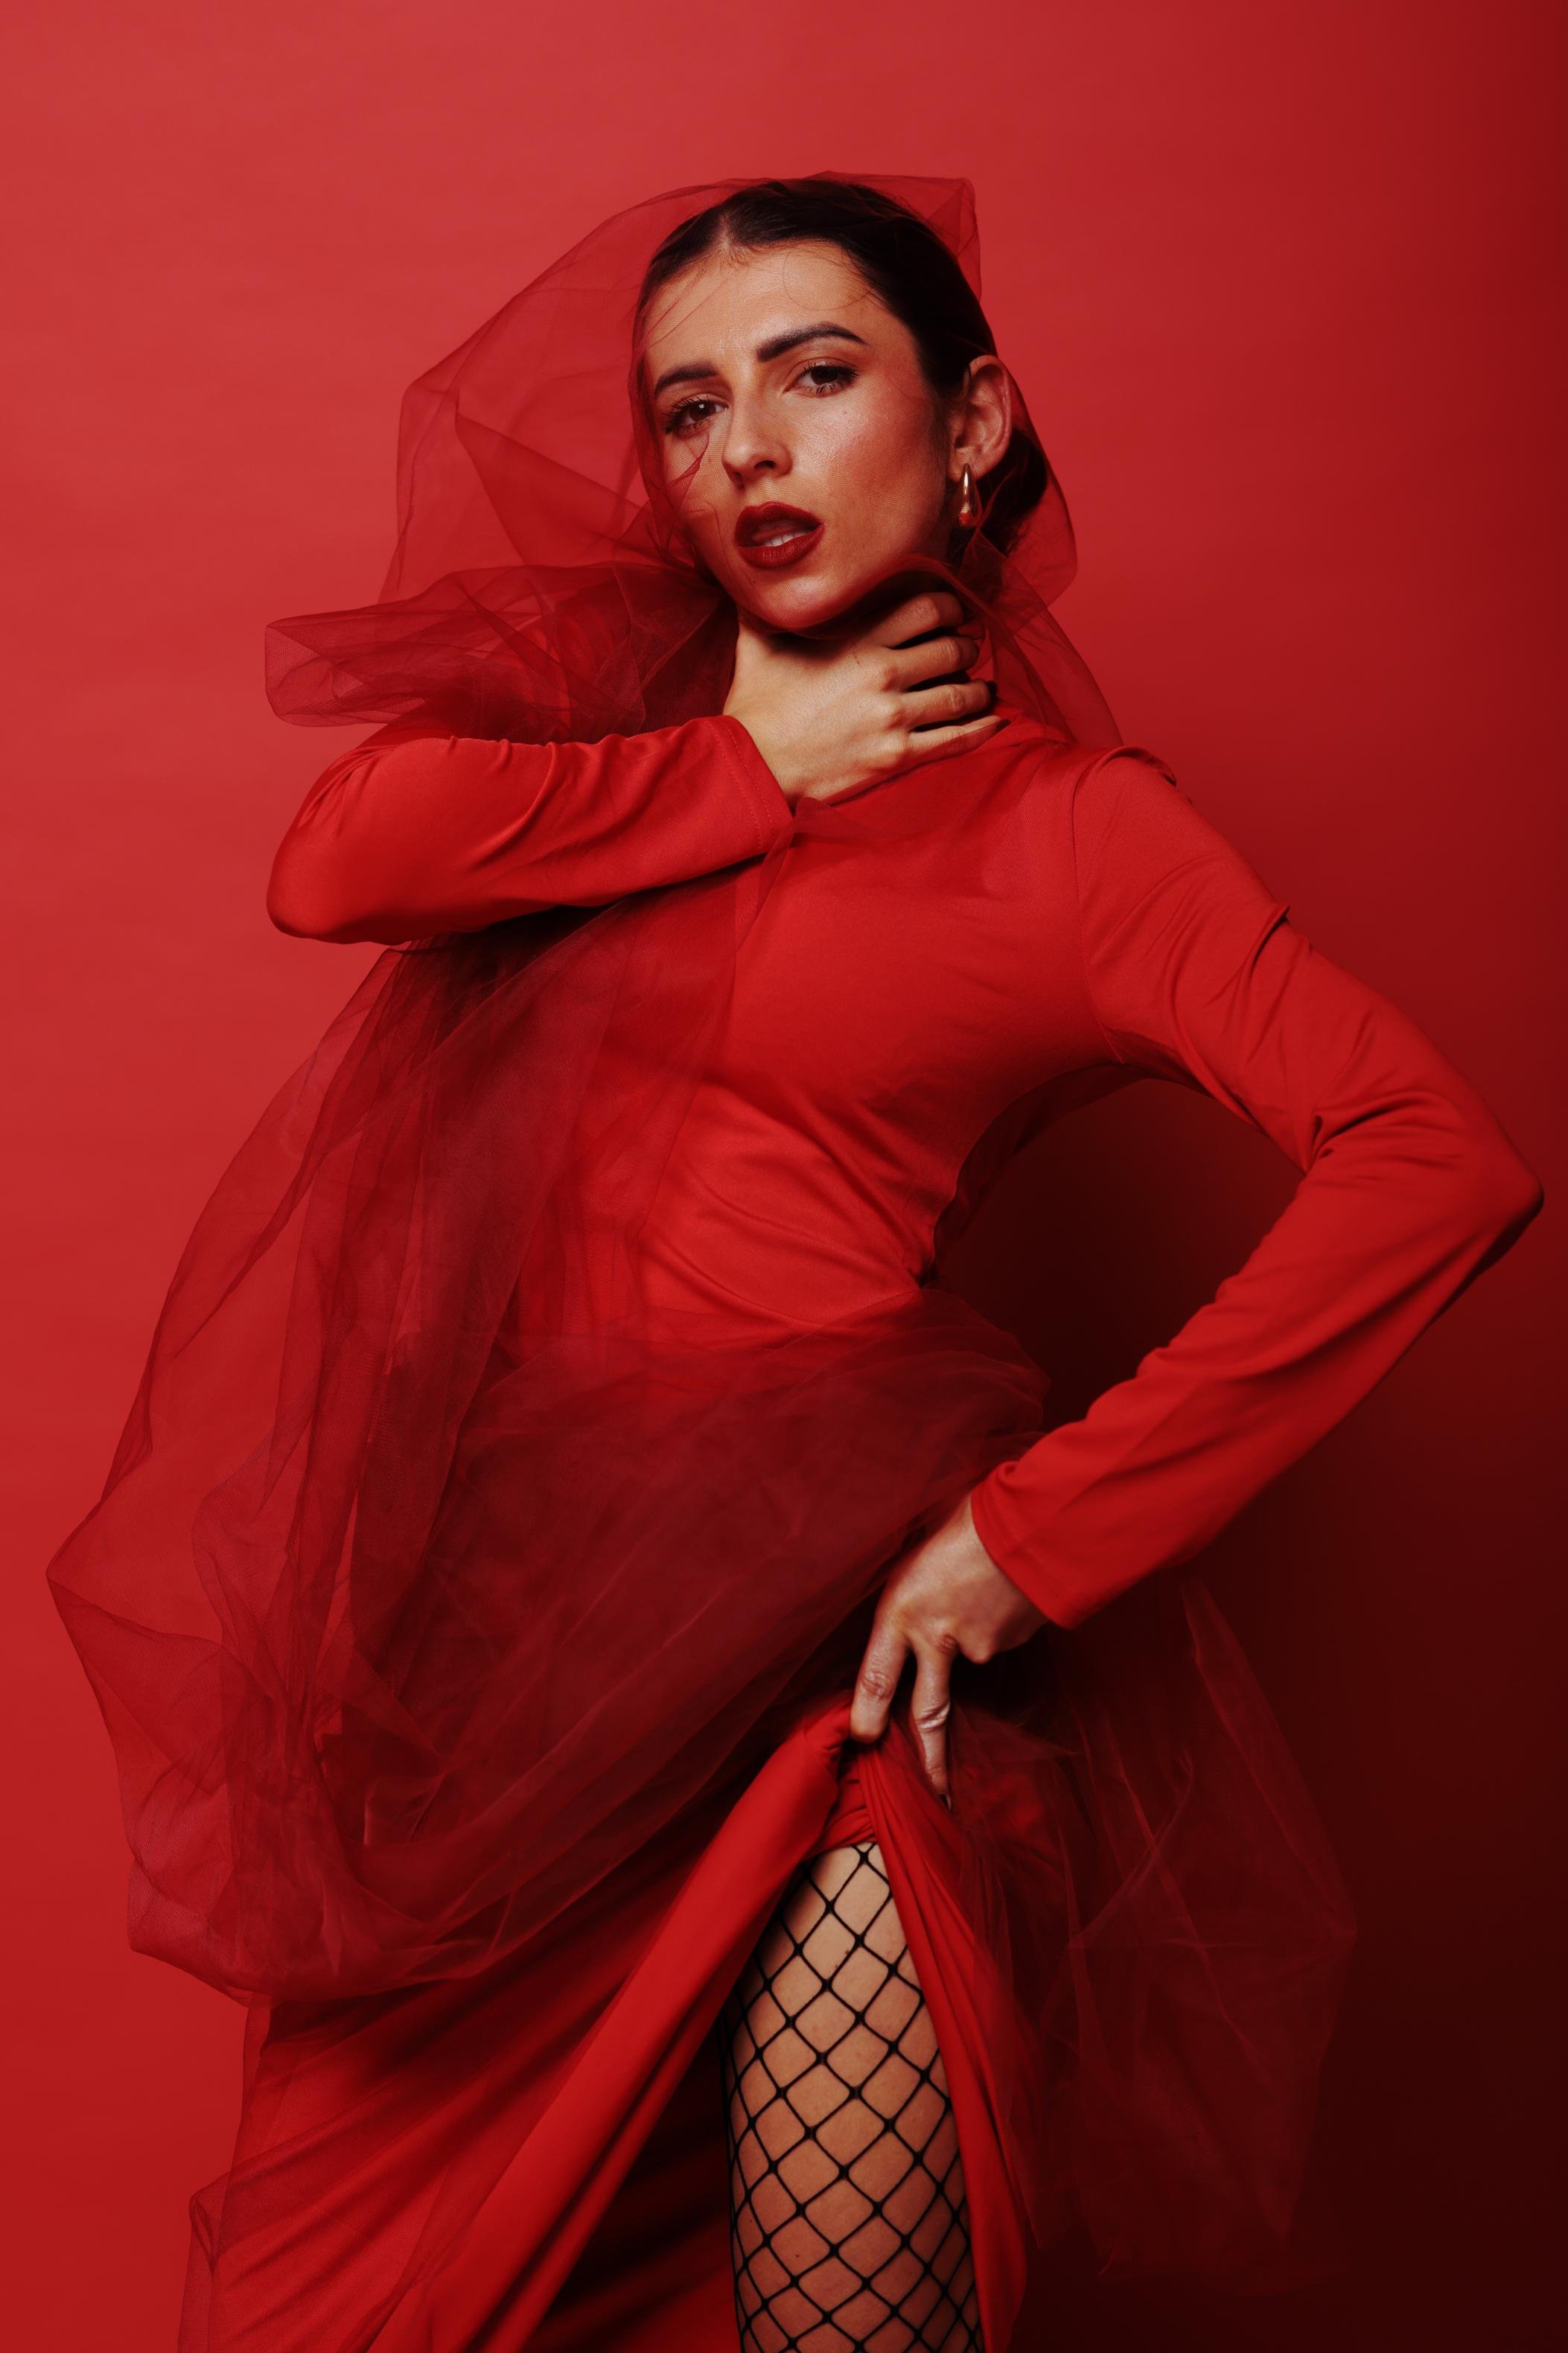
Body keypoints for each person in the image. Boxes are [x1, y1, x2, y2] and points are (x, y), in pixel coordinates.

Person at [50, 175, 1541, 2353]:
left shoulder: (1069, 836)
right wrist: (748, 760)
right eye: (688, 406)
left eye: (816, 376)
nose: (745, 444)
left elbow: (1433, 1157)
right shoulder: (608, 741)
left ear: (969, 423)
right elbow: (334, 861)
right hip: (496, 1715)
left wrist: (1027, 1542)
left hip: (808, 1691)